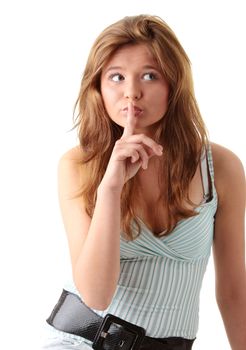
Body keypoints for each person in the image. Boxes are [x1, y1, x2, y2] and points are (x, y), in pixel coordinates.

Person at [42, 14, 246, 350]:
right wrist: (111, 187)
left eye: (149, 76)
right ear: (98, 88)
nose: (132, 92)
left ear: (174, 84)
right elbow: (96, 293)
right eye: (117, 77)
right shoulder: (79, 165)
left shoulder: (219, 167)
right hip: (79, 341)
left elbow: (234, 291)